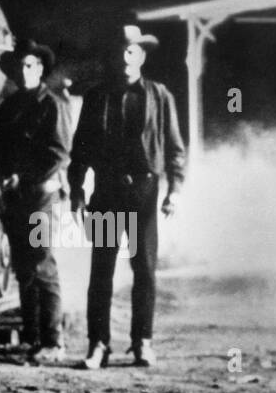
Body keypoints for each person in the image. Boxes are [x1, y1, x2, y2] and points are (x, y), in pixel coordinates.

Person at [68, 24, 187, 369]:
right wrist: (76, 190)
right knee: (101, 269)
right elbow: (80, 150)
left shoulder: (159, 96)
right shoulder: (96, 96)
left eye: (131, 51)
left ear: (142, 56)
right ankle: (98, 345)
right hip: (105, 190)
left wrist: (175, 190)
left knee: (145, 270)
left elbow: (174, 148)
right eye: (119, 51)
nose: (124, 58)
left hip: (144, 192)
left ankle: (142, 343)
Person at [0, 37, 73, 364]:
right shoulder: (9, 107)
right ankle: (32, 337)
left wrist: (22, 175)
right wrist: (5, 171)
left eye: (29, 66)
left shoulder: (52, 104)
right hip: (16, 196)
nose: (24, 72)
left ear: (39, 68)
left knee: (42, 263)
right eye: (19, 66)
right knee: (24, 267)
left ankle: (53, 341)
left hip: (41, 196)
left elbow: (58, 153)